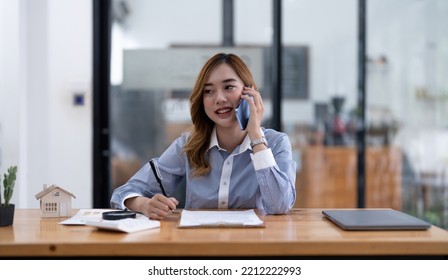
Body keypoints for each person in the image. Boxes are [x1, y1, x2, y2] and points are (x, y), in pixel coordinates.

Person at [111, 53, 296, 220]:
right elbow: (125, 192)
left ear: (249, 92)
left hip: (253, 249)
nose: (219, 98)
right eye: (209, 91)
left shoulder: (276, 143)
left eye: (229, 87)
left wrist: (256, 136)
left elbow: (280, 205)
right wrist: (144, 205)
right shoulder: (189, 144)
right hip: (198, 250)